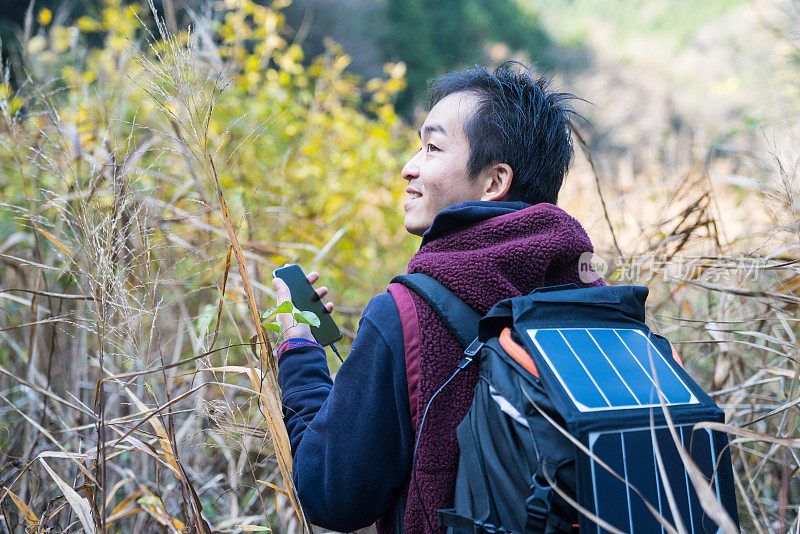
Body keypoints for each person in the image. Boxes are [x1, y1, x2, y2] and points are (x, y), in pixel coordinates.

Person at [271, 62, 605, 534]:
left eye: (432, 147)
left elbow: (331, 495)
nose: (409, 167)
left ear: (494, 182)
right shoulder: (597, 300)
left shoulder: (407, 313)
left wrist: (299, 349)